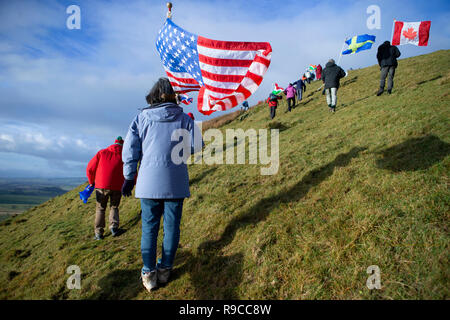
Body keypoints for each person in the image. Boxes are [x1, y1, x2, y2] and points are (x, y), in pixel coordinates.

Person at [121, 77, 203, 292]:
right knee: (172, 227)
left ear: (153, 95)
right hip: (175, 181)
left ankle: (149, 274)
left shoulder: (141, 118)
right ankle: (165, 269)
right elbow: (197, 145)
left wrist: (129, 177)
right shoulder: (184, 118)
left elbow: (130, 151)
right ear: (173, 96)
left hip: (148, 182)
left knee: (149, 228)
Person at [86, 136, 125, 240]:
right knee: (114, 207)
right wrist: (132, 182)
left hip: (101, 186)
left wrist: (91, 182)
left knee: (100, 208)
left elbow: (90, 169)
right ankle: (114, 227)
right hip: (117, 186)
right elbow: (130, 170)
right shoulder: (125, 155)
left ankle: (98, 233)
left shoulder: (102, 152)